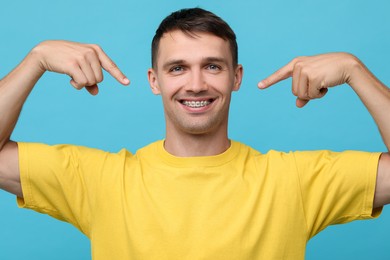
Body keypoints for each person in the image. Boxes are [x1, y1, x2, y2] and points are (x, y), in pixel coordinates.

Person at [0, 7, 389, 259]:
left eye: (213, 67)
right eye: (177, 68)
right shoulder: (101, 179)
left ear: (236, 78)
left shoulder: (294, 181)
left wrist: (355, 71)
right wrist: (36, 59)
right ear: (155, 81)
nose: (196, 84)